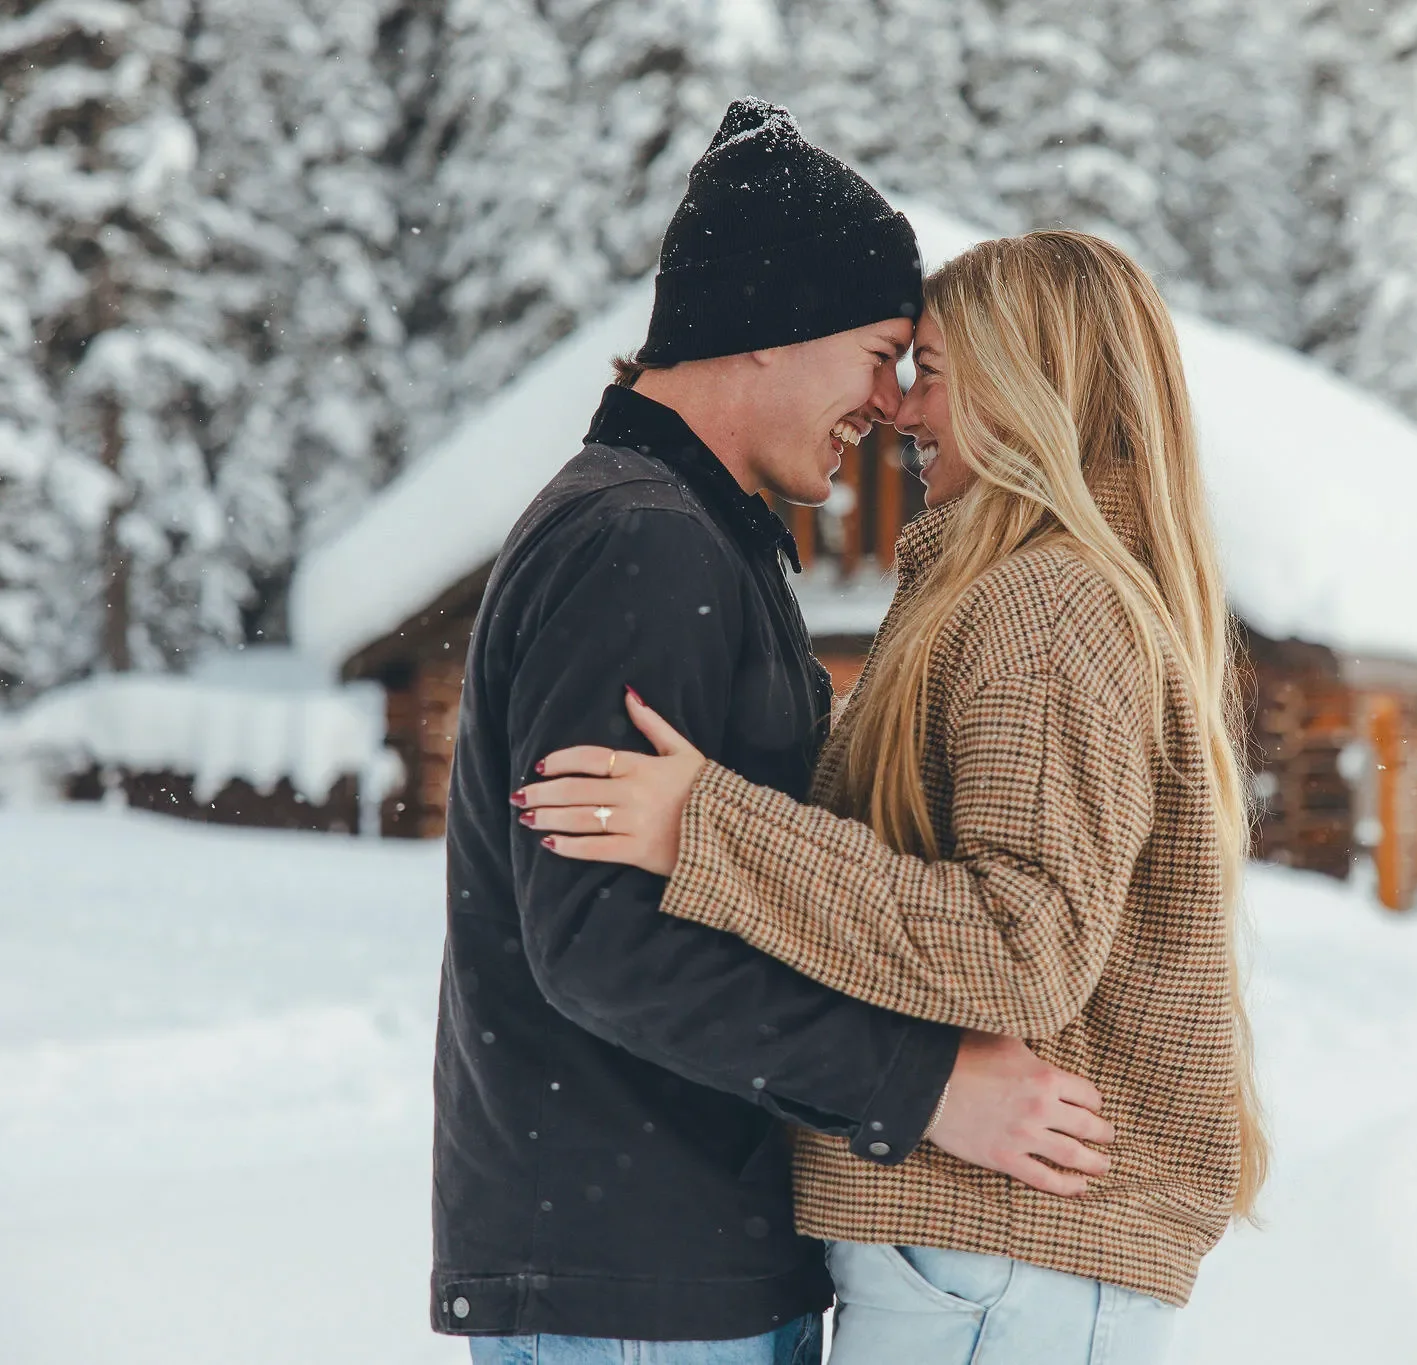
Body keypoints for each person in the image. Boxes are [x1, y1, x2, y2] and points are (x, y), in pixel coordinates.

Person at [432, 100, 1114, 1364]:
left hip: (663, 1265)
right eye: (878, 350)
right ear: (764, 327)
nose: (892, 401)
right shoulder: (639, 542)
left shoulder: (692, 535)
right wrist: (925, 1090)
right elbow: (600, 946)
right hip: (642, 1279)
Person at [517, 229, 1270, 1363]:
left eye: (934, 376)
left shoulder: (1045, 607)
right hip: (993, 1259)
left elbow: (1025, 948)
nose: (901, 413)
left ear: (1029, 391)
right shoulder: (1030, 594)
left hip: (1001, 1250)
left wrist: (708, 826)